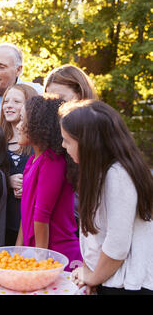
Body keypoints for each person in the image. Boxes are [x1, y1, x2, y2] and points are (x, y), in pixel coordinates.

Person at [59, 100, 153, 295]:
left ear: (88, 143)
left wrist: (94, 277)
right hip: (111, 280)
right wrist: (90, 272)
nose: (63, 146)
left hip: (128, 285)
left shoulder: (118, 175)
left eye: (68, 140)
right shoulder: (102, 173)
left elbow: (117, 244)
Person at [15, 95, 82, 271]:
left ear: (37, 125)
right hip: (38, 252)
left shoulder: (52, 162)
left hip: (58, 256)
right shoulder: (31, 161)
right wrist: (18, 251)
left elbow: (41, 216)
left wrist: (41, 261)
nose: (17, 125)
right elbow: (26, 211)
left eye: (22, 120)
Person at [44, 64, 99, 232]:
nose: (55, 107)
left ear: (80, 94)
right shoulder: (50, 134)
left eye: (60, 99)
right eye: (49, 100)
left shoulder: (97, 132)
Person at [0, 83, 39, 245]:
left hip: (30, 223)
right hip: (2, 221)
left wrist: (28, 185)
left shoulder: (37, 144)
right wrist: (7, 181)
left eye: (16, 102)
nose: (9, 106)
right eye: (6, 101)